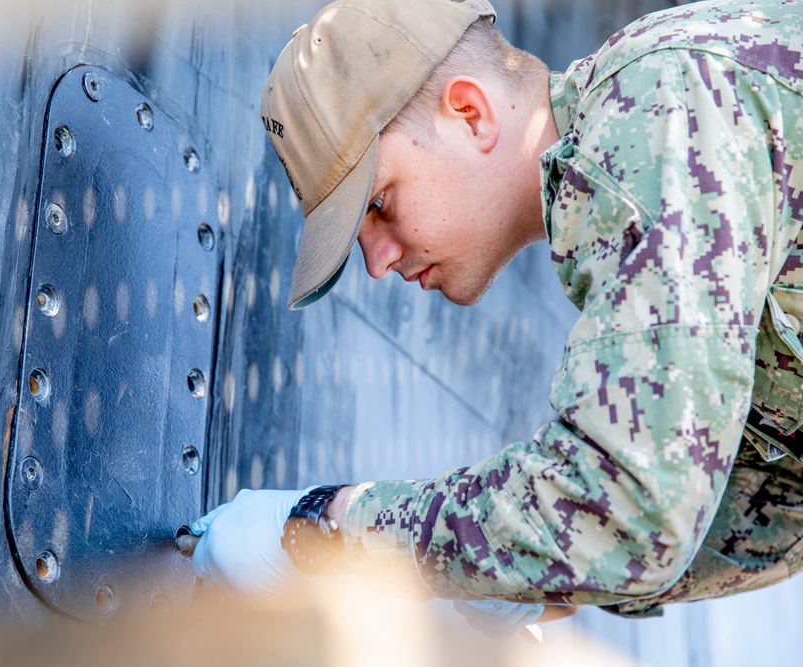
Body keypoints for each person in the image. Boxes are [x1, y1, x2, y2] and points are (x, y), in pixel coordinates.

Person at [190, 0, 803, 636]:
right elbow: (777, 506)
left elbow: (635, 507)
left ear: (469, 114)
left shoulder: (657, 111)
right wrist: (523, 576)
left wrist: (330, 528)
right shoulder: (633, 170)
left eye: (378, 202)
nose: (376, 262)